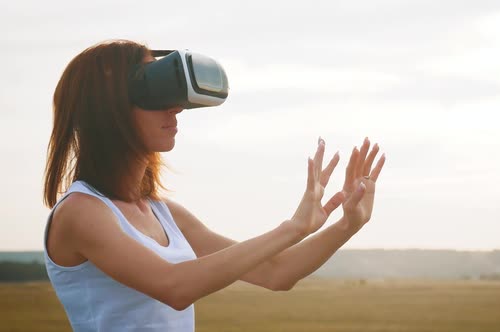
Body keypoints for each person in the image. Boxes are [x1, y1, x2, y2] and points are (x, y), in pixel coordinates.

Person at [43, 39, 386, 331]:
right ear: (110, 109)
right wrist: (294, 227)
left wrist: (347, 225)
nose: (175, 108)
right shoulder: (81, 213)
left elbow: (276, 273)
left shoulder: (167, 215)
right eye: (155, 92)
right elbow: (174, 286)